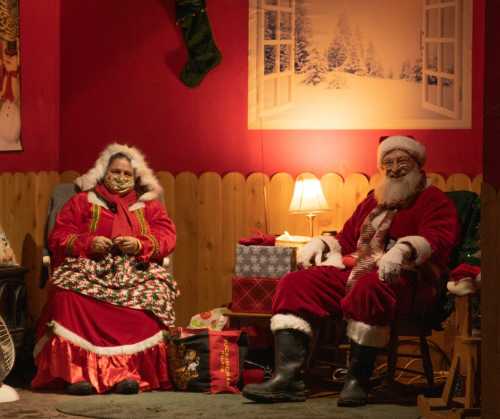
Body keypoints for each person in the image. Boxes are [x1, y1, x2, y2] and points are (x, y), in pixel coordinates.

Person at [242, 136, 459, 406]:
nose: (394, 169)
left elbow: (438, 239)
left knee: (370, 287)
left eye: (402, 161)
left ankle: (358, 380)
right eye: (387, 163)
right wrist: (321, 242)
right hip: (358, 270)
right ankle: (288, 378)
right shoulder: (373, 201)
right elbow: (346, 239)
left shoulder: (434, 200)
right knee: (295, 283)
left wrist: (403, 250)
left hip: (408, 281)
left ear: (417, 164)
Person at [32, 143, 178, 395]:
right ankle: (76, 375)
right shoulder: (81, 201)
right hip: (88, 265)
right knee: (68, 297)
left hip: (136, 270)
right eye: (115, 172)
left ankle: (126, 374)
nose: (120, 178)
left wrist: (139, 244)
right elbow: (59, 235)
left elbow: (167, 236)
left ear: (136, 178)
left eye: (126, 174)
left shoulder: (149, 205)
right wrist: (88, 243)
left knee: (154, 297)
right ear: (103, 173)